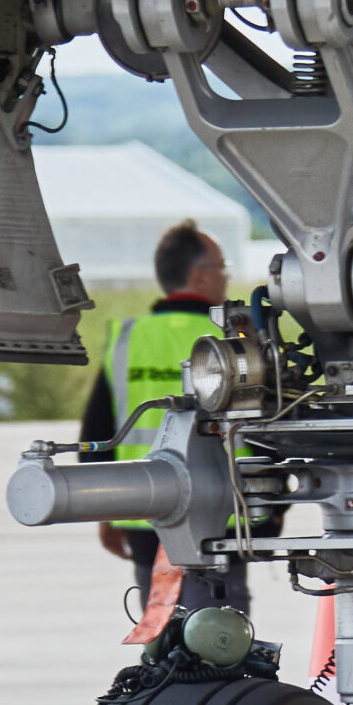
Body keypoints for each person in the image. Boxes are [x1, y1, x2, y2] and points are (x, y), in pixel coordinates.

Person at [78, 219, 248, 614]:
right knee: (220, 637)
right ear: (200, 274)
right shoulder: (234, 340)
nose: (225, 278)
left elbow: (99, 432)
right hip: (224, 518)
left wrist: (105, 509)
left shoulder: (128, 338)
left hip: (145, 514)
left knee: (162, 636)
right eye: (222, 268)